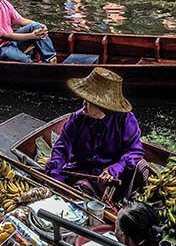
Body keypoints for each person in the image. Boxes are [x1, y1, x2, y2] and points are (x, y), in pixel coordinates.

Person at [45, 67, 147, 201]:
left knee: (142, 167)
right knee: (82, 188)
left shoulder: (125, 120)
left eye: (89, 102)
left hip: (113, 175)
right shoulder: (78, 119)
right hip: (84, 172)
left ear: (103, 107)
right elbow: (62, 147)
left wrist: (117, 167)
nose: (84, 104)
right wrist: (54, 174)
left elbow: (135, 150)